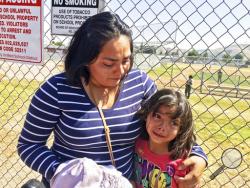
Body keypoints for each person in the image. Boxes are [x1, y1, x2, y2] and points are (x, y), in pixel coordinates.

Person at [17, 11, 207, 188]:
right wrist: (63, 173)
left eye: (126, 60)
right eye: (108, 64)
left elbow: (171, 122)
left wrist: (198, 157)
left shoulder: (140, 84)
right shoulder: (56, 89)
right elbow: (29, 145)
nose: (121, 71)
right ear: (86, 59)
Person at [134, 88, 206, 188]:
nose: (163, 127)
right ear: (147, 114)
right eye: (157, 116)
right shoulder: (137, 143)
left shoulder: (183, 164)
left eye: (174, 123)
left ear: (181, 128)